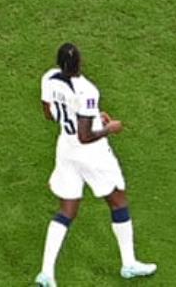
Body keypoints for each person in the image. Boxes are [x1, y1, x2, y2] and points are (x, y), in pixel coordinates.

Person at [35, 43, 157, 286]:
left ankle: (47, 273)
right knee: (118, 201)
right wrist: (108, 128)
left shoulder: (49, 78)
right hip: (92, 155)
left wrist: (92, 117)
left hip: (66, 150)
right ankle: (129, 263)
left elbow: (50, 113)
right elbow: (86, 136)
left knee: (66, 210)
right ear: (80, 62)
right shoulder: (87, 90)